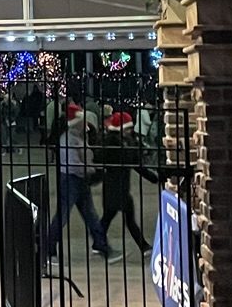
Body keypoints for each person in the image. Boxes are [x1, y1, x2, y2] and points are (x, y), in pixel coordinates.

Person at [42, 102, 117, 263]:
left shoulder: (77, 137)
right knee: (63, 217)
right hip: (71, 180)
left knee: (90, 215)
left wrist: (91, 167)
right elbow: (73, 164)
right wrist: (92, 169)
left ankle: (102, 246)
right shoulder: (69, 139)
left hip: (78, 179)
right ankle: (48, 250)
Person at [98, 110, 152, 255]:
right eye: (128, 128)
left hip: (117, 186)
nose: (130, 131)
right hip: (116, 186)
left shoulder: (122, 141)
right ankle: (144, 246)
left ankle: (98, 242)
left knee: (109, 218)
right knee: (125, 219)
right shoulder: (114, 142)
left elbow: (134, 163)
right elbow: (132, 162)